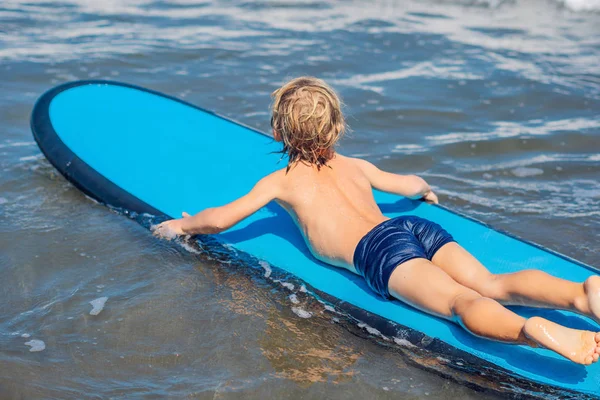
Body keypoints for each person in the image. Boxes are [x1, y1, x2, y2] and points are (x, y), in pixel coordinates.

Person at [153, 76, 600, 365]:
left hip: (382, 252)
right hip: (412, 229)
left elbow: (221, 219)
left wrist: (182, 226)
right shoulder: (356, 165)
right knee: (491, 282)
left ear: (278, 133)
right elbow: (406, 183)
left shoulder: (281, 182)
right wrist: (424, 190)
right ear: (337, 127)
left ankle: (529, 330)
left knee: (458, 304)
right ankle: (581, 295)